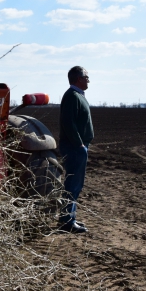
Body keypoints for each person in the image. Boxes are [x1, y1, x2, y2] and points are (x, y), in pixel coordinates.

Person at [58, 66, 93, 234]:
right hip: (74, 147)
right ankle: (66, 221)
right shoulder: (72, 96)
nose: (88, 80)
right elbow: (68, 123)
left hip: (78, 146)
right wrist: (79, 144)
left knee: (76, 184)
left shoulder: (78, 96)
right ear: (78, 78)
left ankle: (69, 217)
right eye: (86, 77)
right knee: (73, 184)